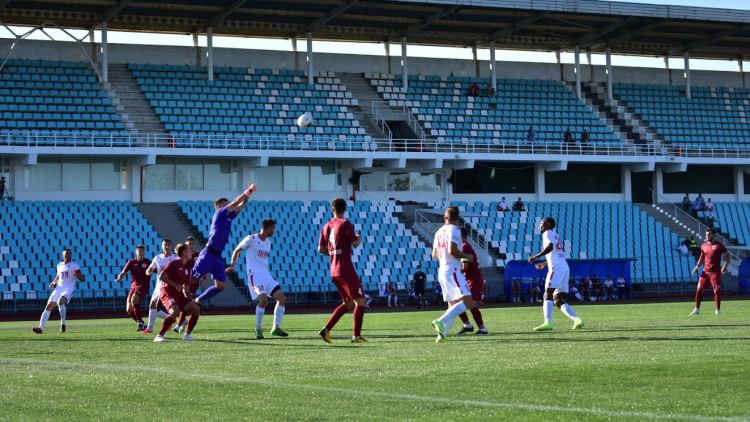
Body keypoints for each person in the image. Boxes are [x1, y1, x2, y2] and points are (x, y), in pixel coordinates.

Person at [192, 182, 256, 306]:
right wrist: (247, 190)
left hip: (216, 256)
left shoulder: (228, 217)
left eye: (227, 203)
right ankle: (182, 298)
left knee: (221, 286)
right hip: (208, 253)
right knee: (191, 280)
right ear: (219, 206)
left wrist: (249, 194)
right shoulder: (219, 213)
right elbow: (236, 203)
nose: (228, 205)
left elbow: (241, 206)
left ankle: (198, 300)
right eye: (225, 204)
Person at [227, 218, 289, 339]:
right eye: (273, 228)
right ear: (268, 227)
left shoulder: (268, 243)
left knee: (282, 298)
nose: (274, 231)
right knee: (263, 299)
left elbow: (263, 261)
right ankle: (258, 328)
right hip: (255, 276)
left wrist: (270, 274)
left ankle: (275, 328)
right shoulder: (251, 239)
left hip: (266, 275)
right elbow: (237, 250)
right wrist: (232, 265)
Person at [317, 198, 367, 344]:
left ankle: (326, 330)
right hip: (345, 268)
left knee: (349, 303)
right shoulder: (345, 223)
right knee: (361, 301)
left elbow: (320, 249)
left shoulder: (326, 226)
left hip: (334, 270)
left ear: (332, 209)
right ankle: (356, 336)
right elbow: (355, 244)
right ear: (345, 209)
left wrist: (333, 253)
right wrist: (359, 237)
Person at [528, 217, 584, 331]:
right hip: (564, 268)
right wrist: (545, 263)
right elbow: (556, 254)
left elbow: (550, 247)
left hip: (556, 268)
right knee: (558, 300)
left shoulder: (547, 233)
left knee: (547, 293)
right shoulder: (556, 235)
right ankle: (578, 320)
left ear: (548, 224)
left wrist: (535, 256)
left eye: (542, 223)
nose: (540, 226)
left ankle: (548, 323)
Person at [430, 207, 476, 343]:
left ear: (445, 218)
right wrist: (466, 255)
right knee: (468, 302)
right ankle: (440, 320)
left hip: (442, 270)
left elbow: (434, 255)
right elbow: (453, 250)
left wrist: (445, 258)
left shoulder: (438, 232)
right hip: (453, 270)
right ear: (457, 218)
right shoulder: (455, 230)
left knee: (453, 305)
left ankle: (441, 335)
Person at [154, 243, 200, 342]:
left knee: (196, 309)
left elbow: (186, 288)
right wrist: (175, 285)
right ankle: (159, 336)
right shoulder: (174, 263)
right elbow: (162, 276)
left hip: (178, 295)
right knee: (175, 311)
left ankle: (186, 335)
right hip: (167, 292)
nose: (191, 251)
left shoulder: (186, 269)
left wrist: (191, 299)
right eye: (189, 249)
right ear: (184, 252)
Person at [32, 249, 84, 334]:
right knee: (49, 306)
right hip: (58, 288)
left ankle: (62, 324)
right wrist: (53, 283)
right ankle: (40, 328)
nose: (68, 255)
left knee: (60, 301)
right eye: (67, 253)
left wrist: (78, 275)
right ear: (63, 255)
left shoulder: (75, 265)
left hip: (68, 288)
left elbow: (82, 279)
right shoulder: (59, 265)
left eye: (70, 253)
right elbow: (58, 277)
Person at [689, 229, 731, 316]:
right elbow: (701, 257)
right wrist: (696, 267)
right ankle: (697, 309)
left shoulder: (719, 245)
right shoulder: (703, 246)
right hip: (705, 272)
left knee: (716, 291)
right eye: (706, 234)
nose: (707, 236)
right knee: (699, 289)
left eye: (709, 234)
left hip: (715, 273)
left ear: (714, 235)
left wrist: (725, 266)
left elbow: (728, 256)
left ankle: (717, 310)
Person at [456, 227, 488, 335]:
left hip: (474, 279)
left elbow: (464, 266)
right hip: (470, 279)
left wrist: (453, 271)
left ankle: (482, 329)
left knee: (471, 304)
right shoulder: (465, 246)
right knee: (457, 302)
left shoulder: (464, 246)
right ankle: (467, 325)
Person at [142, 239, 177, 334]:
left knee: (171, 308)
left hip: (169, 287)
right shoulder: (157, 258)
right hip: (159, 287)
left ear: (171, 246)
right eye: (165, 244)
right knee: (153, 305)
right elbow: (150, 269)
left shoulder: (175, 258)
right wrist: (148, 271)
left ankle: (176, 320)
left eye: (169, 244)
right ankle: (150, 328)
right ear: (162, 246)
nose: (167, 246)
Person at [115, 245, 151, 331]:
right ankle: (142, 323)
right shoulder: (131, 262)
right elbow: (124, 271)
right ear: (136, 252)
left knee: (134, 300)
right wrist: (119, 278)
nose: (141, 253)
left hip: (143, 286)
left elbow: (157, 271)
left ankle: (140, 322)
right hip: (133, 287)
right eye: (139, 251)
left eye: (142, 251)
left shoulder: (148, 262)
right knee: (129, 309)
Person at [173, 236, 200, 334]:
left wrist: (204, 276)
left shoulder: (198, 255)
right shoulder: (184, 256)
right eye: (189, 245)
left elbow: (202, 266)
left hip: (193, 283)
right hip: (183, 282)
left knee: (186, 301)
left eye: (193, 244)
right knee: (185, 303)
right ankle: (181, 322)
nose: (191, 246)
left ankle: (180, 324)